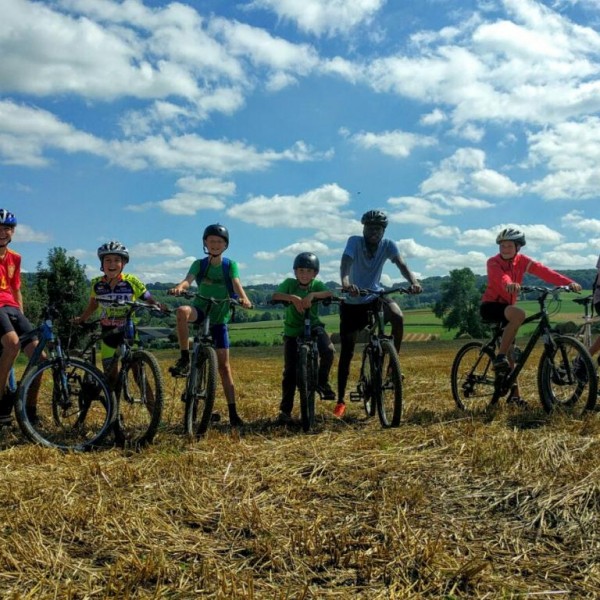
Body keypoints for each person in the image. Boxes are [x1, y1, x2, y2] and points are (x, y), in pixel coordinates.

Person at [336, 209, 422, 418]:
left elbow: (402, 264)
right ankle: (340, 400)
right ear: (363, 229)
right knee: (347, 352)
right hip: (353, 301)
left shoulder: (388, 245)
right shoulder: (354, 242)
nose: (374, 232)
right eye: (370, 228)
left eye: (378, 229)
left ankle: (392, 366)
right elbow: (345, 263)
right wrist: (346, 284)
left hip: (375, 296)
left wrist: (414, 282)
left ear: (384, 231)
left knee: (397, 316)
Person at [480, 228, 582, 402]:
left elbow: (544, 271)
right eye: (502, 246)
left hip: (507, 308)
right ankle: (499, 357)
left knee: (512, 354)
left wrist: (568, 283)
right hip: (491, 306)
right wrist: (509, 284)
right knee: (519, 315)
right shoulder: (493, 262)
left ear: (518, 247)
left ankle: (515, 397)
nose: (505, 249)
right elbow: (501, 277)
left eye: (509, 246)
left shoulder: (522, 261)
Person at [168, 224, 252, 427]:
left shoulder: (230, 265)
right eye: (211, 241)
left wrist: (244, 299)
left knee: (224, 367)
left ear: (225, 245)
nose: (215, 244)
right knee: (182, 312)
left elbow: (236, 283)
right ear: (205, 243)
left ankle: (233, 412)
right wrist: (180, 287)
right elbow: (188, 280)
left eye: (219, 242)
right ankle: (185, 357)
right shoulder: (199, 264)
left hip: (219, 316)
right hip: (201, 309)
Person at [73, 241, 166, 388]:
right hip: (108, 333)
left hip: (128, 331)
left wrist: (156, 305)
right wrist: (82, 318)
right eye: (108, 260)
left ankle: (153, 402)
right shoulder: (96, 284)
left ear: (123, 264)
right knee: (111, 378)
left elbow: (147, 297)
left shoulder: (132, 281)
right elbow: (93, 304)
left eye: (117, 260)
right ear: (102, 263)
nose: (112, 264)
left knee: (139, 374)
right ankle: (113, 402)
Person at [271, 252, 336, 424]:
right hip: (292, 331)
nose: (304, 274)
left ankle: (322, 382)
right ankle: (285, 411)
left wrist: (312, 295)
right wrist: (292, 298)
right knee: (289, 373)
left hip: (314, 326)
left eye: (308, 271)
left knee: (329, 350)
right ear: (295, 272)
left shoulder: (316, 285)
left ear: (315, 273)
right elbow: (275, 296)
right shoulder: (289, 284)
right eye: (301, 271)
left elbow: (329, 292)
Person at [0, 209, 41, 424]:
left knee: (40, 356)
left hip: (13, 307)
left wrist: (22, 317)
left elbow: (16, 289)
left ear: (13, 231)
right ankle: (1, 401)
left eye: (7, 228)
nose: (2, 232)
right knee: (12, 344)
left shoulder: (15, 258)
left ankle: (29, 408)